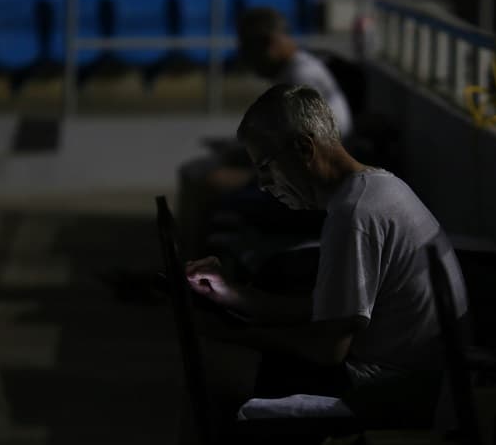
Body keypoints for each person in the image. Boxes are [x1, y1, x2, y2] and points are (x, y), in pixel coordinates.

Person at [185, 84, 446, 421]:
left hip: (388, 393)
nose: (263, 184)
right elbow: (330, 312)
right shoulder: (379, 187)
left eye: (265, 167)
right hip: (418, 380)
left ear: (304, 149)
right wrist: (235, 296)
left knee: (216, 366)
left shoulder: (355, 214)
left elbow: (327, 349)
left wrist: (233, 334)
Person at [178, 6, 352, 259]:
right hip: (299, 171)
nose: (246, 60)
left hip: (311, 184)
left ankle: (194, 273)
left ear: (269, 44)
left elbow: (304, 152)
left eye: (248, 51)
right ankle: (190, 267)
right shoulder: (296, 70)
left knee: (205, 182)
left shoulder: (301, 79)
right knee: (198, 170)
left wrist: (249, 172)